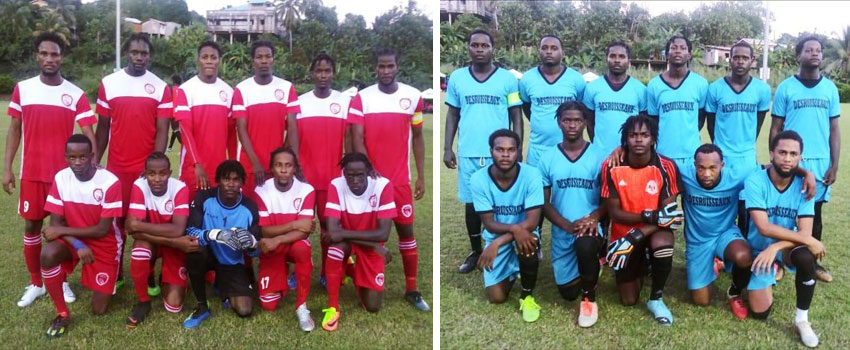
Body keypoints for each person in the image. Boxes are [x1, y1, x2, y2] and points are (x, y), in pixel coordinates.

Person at [5, 33, 98, 308]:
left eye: (54, 54)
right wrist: (7, 168)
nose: (49, 58)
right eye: (44, 53)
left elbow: (88, 133)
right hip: (32, 173)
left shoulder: (76, 94)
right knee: (32, 225)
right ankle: (36, 283)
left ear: (62, 58)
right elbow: (14, 129)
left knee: (64, 228)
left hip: (64, 177)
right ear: (37, 56)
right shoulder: (23, 89)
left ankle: (63, 278)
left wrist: (93, 163)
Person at [350, 48, 429, 311]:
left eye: (390, 66)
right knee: (373, 235)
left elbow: (417, 137)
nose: (385, 71)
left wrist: (420, 176)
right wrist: (368, 172)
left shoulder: (413, 96)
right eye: (381, 66)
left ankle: (412, 288)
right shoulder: (362, 99)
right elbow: (357, 139)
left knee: (406, 231)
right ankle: (367, 279)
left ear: (397, 66)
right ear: (375, 68)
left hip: (400, 182)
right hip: (372, 182)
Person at [95, 33, 173, 291]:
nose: (140, 57)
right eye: (135, 52)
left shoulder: (160, 87)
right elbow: (103, 128)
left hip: (146, 172)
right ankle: (115, 271)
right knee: (116, 224)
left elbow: (162, 129)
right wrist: (96, 161)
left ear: (150, 56)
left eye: (144, 53)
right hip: (117, 169)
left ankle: (148, 272)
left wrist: (155, 167)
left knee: (146, 222)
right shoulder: (109, 83)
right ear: (126, 53)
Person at [444, 29, 523, 274]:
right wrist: (447, 147)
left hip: (500, 153)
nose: (479, 49)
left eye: (484, 45)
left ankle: (506, 249)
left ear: (492, 49)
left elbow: (516, 115)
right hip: (468, 151)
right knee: (472, 204)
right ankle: (476, 250)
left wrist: (517, 148)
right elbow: (453, 114)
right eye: (475, 45)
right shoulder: (457, 77)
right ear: (468, 48)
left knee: (504, 201)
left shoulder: (508, 79)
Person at [769, 36, 840, 283]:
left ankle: (812, 262)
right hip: (791, 158)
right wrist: (774, 158)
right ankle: (778, 261)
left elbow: (834, 130)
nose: (815, 53)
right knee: (782, 211)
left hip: (820, 162)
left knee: (814, 212)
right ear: (798, 55)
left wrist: (835, 164)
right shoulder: (786, 88)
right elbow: (776, 127)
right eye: (808, 50)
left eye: (818, 50)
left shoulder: (830, 88)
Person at [743, 131, 823, 348]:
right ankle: (772, 269)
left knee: (806, 256)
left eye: (793, 154)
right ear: (771, 154)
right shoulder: (755, 180)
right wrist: (772, 248)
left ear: (800, 158)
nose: (787, 159)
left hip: (785, 249)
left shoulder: (806, 186)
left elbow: (805, 235)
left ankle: (802, 320)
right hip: (759, 249)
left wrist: (777, 246)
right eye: (782, 152)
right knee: (760, 312)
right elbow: (764, 227)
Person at [601, 115, 682, 325]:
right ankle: (642, 263)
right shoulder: (610, 166)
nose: (638, 140)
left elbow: (668, 216)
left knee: (663, 243)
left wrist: (637, 235)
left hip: (653, 231)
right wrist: (647, 216)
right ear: (625, 139)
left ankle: (656, 298)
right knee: (628, 300)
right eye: (633, 135)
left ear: (653, 139)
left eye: (644, 135)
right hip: (623, 234)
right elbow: (614, 213)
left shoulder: (666, 166)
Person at [39, 135, 121, 337]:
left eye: (82, 157)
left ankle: (109, 277)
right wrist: (77, 244)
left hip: (103, 243)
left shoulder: (110, 182)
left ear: (92, 156)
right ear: (66, 157)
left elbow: (102, 230)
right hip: (74, 241)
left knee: (99, 310)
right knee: (48, 253)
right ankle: (62, 312)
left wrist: (63, 232)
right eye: (72, 157)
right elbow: (55, 225)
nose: (77, 163)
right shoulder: (61, 178)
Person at [537, 102, 606, 327]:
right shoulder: (547, 157)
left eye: (577, 120)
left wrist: (594, 218)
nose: (572, 125)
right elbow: (543, 202)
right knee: (567, 293)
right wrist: (567, 225)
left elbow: (609, 200)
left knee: (585, 246)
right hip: (563, 229)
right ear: (559, 123)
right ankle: (591, 266)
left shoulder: (599, 156)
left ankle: (589, 300)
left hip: (590, 227)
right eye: (567, 120)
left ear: (585, 122)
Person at [471, 129, 543, 323]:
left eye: (511, 150)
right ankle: (513, 269)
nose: (505, 155)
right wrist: (509, 233)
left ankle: (526, 296)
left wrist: (499, 242)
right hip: (499, 235)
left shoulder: (532, 175)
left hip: (524, 234)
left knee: (527, 242)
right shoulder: (478, 179)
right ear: (491, 151)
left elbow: (532, 222)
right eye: (499, 149)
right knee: (496, 297)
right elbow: (489, 224)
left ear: (518, 152)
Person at [321, 153, 396, 331]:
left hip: (368, 245)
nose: (355, 180)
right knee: (335, 249)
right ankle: (333, 307)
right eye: (349, 175)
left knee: (372, 306)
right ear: (343, 174)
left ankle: (351, 269)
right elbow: (332, 233)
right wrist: (372, 243)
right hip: (354, 243)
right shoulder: (336, 185)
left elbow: (383, 234)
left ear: (369, 172)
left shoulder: (383, 186)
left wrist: (344, 233)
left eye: (360, 175)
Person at [182, 160, 260, 329]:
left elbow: (255, 251)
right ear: (218, 180)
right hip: (207, 253)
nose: (231, 184)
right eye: (226, 179)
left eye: (236, 179)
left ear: (242, 182)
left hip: (231, 262)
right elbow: (190, 232)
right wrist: (215, 234)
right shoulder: (204, 197)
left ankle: (221, 284)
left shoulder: (250, 207)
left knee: (245, 309)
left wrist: (252, 244)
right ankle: (202, 305)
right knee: (194, 249)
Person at [705, 41, 772, 238]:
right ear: (730, 60)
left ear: (752, 61)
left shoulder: (761, 90)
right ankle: (720, 248)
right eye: (736, 57)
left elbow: (758, 123)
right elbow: (711, 123)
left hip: (746, 157)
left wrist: (744, 144)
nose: (740, 61)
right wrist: (720, 148)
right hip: (722, 157)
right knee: (722, 205)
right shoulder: (715, 88)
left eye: (745, 58)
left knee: (745, 206)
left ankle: (743, 248)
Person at [124, 152, 198, 328]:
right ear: (145, 173)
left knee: (174, 306)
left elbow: (178, 229)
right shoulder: (139, 186)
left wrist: (140, 226)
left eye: (162, 173)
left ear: (170, 172)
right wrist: (173, 239)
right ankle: (143, 301)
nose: (157, 179)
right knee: (140, 249)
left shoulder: (179, 188)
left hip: (174, 248)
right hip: (160, 244)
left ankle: (166, 276)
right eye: (151, 173)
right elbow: (132, 232)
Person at [296, 53, 350, 286]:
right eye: (318, 71)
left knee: (330, 228)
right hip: (305, 179)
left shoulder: (344, 101)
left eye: (327, 71)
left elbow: (349, 138)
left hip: (333, 180)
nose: (323, 75)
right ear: (312, 73)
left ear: (333, 73)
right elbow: (293, 139)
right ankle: (299, 271)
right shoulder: (300, 101)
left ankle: (328, 272)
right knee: (301, 228)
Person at [254, 148, 316, 331]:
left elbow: (305, 231)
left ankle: (302, 305)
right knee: (268, 304)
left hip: (290, 243)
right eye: (278, 165)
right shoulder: (261, 190)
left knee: (302, 247)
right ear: (271, 168)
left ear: (295, 169)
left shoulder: (306, 190)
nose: (283, 170)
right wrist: (293, 225)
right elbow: (265, 230)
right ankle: (281, 273)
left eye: (288, 165)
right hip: (272, 247)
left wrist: (278, 239)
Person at [232, 40, 300, 200]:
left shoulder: (286, 87)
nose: (264, 61)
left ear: (273, 59)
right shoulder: (242, 89)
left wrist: (284, 157)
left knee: (276, 210)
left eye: (268, 56)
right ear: (253, 60)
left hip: (278, 165)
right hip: (250, 165)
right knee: (251, 212)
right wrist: (255, 163)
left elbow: (292, 127)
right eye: (259, 57)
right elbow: (241, 129)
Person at [173, 41, 234, 201]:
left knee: (214, 216)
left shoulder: (228, 91)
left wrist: (232, 165)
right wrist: (197, 165)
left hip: (219, 170)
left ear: (219, 60)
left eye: (213, 57)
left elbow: (231, 135)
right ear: (198, 60)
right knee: (191, 217)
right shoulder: (186, 90)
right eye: (205, 57)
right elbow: (185, 131)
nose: (209, 61)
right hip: (193, 169)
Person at [519, 35, 586, 166]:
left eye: (554, 48)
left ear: (563, 53)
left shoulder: (576, 79)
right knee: (537, 186)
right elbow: (527, 108)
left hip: (568, 149)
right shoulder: (527, 79)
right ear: (539, 52)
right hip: (538, 150)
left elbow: (580, 109)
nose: (549, 51)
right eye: (544, 48)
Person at [646, 35, 708, 168]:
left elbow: (701, 118)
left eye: (682, 48)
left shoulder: (701, 84)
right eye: (673, 48)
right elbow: (653, 121)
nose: (678, 51)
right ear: (667, 55)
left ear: (689, 55)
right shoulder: (654, 85)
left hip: (692, 155)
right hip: (663, 154)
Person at [582, 41, 647, 156]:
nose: (617, 60)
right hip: (600, 155)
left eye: (622, 56)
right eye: (612, 56)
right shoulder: (592, 87)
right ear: (606, 59)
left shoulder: (640, 89)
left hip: (630, 155)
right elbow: (590, 123)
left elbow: (643, 125)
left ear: (628, 61)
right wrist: (598, 146)